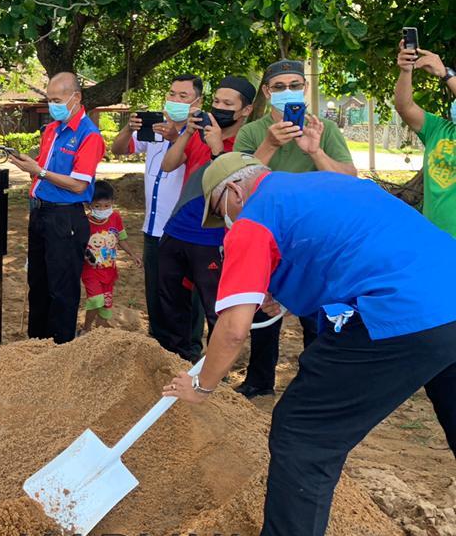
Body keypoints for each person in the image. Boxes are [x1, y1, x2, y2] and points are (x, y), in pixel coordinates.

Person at [163, 152, 456, 536]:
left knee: (303, 435)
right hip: (449, 291)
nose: (224, 223)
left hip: (398, 311)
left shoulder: (253, 220)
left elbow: (233, 328)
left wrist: (202, 384)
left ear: (236, 191)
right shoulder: (326, 185)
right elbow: (341, 250)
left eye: (221, 210)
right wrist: (275, 288)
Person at [233, 59, 356, 397]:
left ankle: (317, 385)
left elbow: (348, 178)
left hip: (317, 235)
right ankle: (259, 382)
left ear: (305, 88)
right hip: (268, 231)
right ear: (266, 91)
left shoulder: (324, 129)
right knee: (265, 307)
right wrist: (270, 145)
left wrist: (315, 152)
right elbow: (237, 181)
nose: (288, 92)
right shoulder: (253, 132)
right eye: (279, 86)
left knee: (317, 313)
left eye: (295, 85)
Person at [155, 77, 255, 361]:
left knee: (216, 309)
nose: (219, 108)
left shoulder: (246, 143)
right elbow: (168, 164)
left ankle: (213, 373)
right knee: (171, 303)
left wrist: (217, 148)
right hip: (177, 232)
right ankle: (176, 361)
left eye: (227, 104)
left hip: (214, 239)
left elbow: (237, 186)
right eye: (216, 102)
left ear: (245, 111)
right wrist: (187, 133)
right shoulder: (199, 135)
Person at [8, 72, 105, 344]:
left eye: (57, 99)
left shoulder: (89, 135)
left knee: (62, 288)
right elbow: (43, 170)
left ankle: (61, 347)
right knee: (38, 283)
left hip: (65, 217)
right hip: (40, 211)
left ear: (77, 98)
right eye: (49, 99)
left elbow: (77, 185)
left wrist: (39, 171)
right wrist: (31, 166)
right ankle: (36, 345)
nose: (53, 105)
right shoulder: (51, 129)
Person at [111, 75, 206, 351]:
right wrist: (129, 129)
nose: (175, 100)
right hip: (152, 229)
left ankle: (189, 350)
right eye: (172, 94)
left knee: (187, 294)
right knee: (156, 293)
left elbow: (194, 161)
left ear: (197, 101)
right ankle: (160, 348)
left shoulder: (199, 134)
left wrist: (178, 137)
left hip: (184, 230)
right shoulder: (153, 130)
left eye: (183, 96)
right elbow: (118, 150)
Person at [392, 42, 456, 237]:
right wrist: (405, 71)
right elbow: (405, 107)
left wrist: (446, 73)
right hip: (434, 241)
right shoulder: (439, 129)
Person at [81, 180, 139, 332]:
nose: (102, 209)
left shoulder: (115, 218)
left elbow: (121, 239)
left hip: (110, 270)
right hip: (91, 270)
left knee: (106, 303)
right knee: (96, 299)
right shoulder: (84, 222)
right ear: (89, 205)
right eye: (97, 206)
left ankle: (101, 330)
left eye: (107, 206)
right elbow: (78, 245)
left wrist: (132, 254)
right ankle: (86, 329)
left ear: (112, 202)